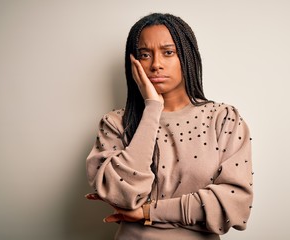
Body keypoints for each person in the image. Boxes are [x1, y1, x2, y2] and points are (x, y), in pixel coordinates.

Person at [85, 13, 253, 240]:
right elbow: (124, 196)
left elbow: (235, 204)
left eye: (168, 52)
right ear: (133, 62)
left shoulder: (223, 119)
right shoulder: (115, 124)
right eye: (145, 55)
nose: (155, 64)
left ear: (187, 56)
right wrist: (152, 108)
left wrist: (148, 212)